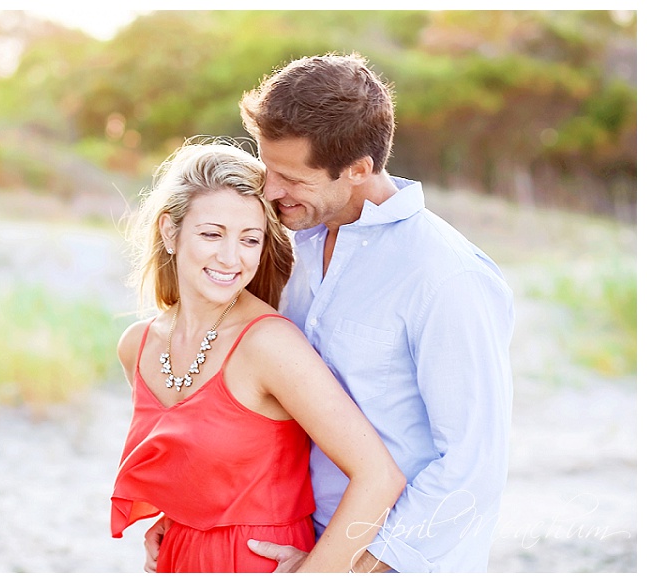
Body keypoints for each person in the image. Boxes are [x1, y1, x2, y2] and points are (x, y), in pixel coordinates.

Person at [145, 54, 515, 573]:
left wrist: (341, 567)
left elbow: (472, 467)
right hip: (291, 537)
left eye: (292, 178)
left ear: (359, 170)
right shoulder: (287, 244)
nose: (271, 191)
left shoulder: (446, 277)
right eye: (268, 168)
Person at [110, 139, 405, 573]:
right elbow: (204, 462)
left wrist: (315, 576)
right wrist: (176, 515)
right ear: (171, 232)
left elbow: (380, 478)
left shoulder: (268, 345)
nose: (231, 258)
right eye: (212, 234)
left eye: (250, 239)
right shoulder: (138, 345)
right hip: (179, 559)